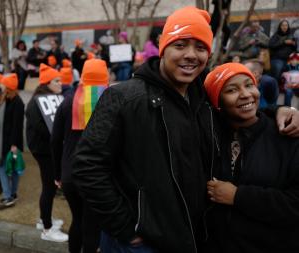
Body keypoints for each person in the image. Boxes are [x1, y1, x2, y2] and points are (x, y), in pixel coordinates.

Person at [72, 6, 299, 253]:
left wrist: (279, 111)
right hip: (140, 243)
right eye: (180, 45)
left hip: (191, 237)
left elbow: (239, 110)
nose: (191, 55)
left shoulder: (202, 100)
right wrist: (126, 227)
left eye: (200, 48)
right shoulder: (124, 98)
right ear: (163, 47)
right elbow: (87, 166)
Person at [204, 62, 299, 253]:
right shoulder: (210, 135)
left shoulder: (288, 134)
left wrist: (238, 196)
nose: (246, 94)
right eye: (232, 90)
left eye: (249, 85)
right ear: (218, 103)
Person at [52, 59, 108, 253]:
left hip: (70, 174)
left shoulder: (67, 102)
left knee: (77, 220)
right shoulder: (110, 101)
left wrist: (57, 174)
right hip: (96, 177)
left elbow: (55, 140)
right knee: (92, 225)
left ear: (82, 77)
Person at [25, 63, 68, 242]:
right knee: (49, 186)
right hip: (43, 151)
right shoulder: (36, 103)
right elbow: (43, 129)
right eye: (56, 80)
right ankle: (47, 229)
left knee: (49, 186)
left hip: (48, 149)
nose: (61, 83)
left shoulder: (51, 98)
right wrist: (59, 137)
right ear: (47, 83)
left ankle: (45, 219)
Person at [0, 73, 24, 210]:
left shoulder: (17, 102)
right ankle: (12, 193)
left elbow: (17, 126)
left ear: (8, 87)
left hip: (10, 143)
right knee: (10, 169)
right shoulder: (7, 99)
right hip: (4, 142)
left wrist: (14, 145)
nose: (1, 86)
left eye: (3, 84)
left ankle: (8, 196)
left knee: (5, 168)